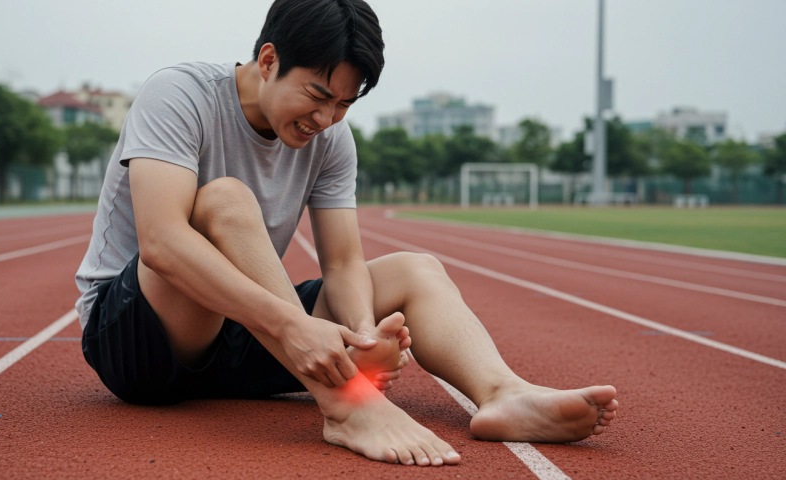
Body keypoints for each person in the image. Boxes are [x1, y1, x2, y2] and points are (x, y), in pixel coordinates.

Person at [75, 0, 618, 467]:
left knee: (416, 269)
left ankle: (503, 394)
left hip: (243, 331)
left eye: (343, 103)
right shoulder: (180, 94)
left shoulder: (332, 137)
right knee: (224, 198)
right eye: (317, 96)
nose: (326, 119)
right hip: (139, 337)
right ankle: (346, 406)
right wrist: (294, 328)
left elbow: (341, 264)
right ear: (268, 60)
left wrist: (361, 335)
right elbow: (163, 241)